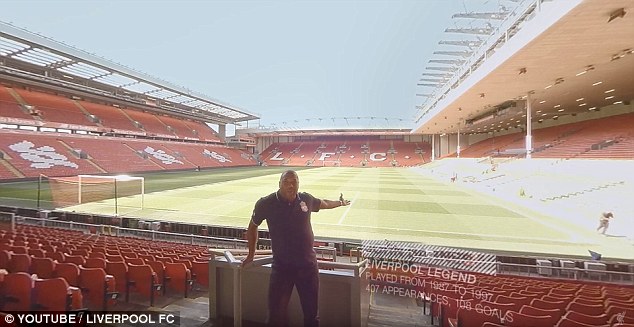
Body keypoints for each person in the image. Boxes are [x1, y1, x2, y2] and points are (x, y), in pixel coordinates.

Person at [242, 170, 350, 327]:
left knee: (311, 315)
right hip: (282, 267)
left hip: (308, 267)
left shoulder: (305, 198)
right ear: (279, 184)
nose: (291, 185)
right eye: (286, 182)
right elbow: (252, 227)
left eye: (294, 182)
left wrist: (340, 203)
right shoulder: (266, 203)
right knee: (275, 315)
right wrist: (251, 255)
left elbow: (324, 203)